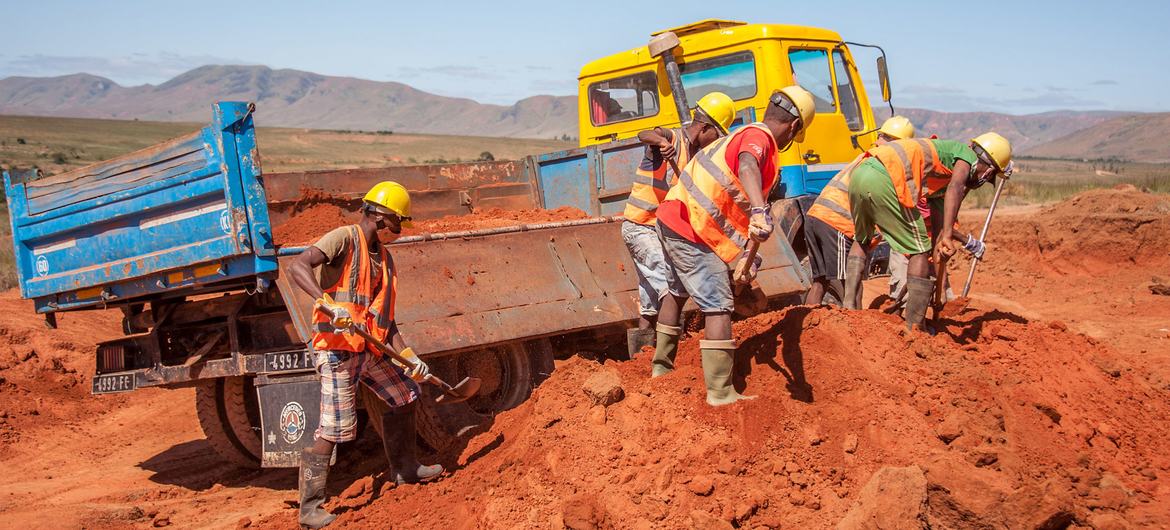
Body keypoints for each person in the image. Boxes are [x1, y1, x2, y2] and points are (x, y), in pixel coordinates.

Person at [286, 181, 440, 529]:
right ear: (381, 217)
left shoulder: (385, 260)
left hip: (368, 347)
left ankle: (405, 468)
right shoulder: (343, 238)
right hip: (338, 350)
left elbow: (387, 319)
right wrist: (325, 302)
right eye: (398, 225)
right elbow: (298, 267)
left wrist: (409, 357)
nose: (399, 233)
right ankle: (310, 509)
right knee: (334, 427)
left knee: (405, 394)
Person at [649, 86, 816, 406]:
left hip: (674, 216)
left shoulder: (735, 135)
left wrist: (746, 260)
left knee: (676, 291)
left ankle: (661, 369)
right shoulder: (759, 138)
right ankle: (721, 393)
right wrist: (758, 208)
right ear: (794, 128)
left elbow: (730, 209)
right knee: (718, 303)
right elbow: (747, 165)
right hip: (690, 226)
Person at [845, 133, 1012, 329]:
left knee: (863, 240)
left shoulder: (939, 181)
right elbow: (956, 187)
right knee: (918, 250)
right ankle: (915, 326)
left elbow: (939, 236)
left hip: (861, 173)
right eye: (989, 176)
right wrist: (949, 236)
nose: (984, 180)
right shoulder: (965, 156)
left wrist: (941, 281)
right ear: (988, 170)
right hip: (887, 176)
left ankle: (849, 311)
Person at [622, 92, 736, 358]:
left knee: (650, 302)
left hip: (661, 229)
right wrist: (662, 141)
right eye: (718, 134)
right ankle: (673, 355)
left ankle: (641, 358)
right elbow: (645, 133)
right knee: (669, 288)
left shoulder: (699, 157)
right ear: (706, 127)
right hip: (642, 226)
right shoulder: (677, 138)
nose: (718, 141)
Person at [803, 115, 915, 307]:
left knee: (820, 281)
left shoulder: (868, 155)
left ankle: (807, 326)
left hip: (815, 216)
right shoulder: (883, 163)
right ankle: (857, 330)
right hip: (836, 223)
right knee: (852, 284)